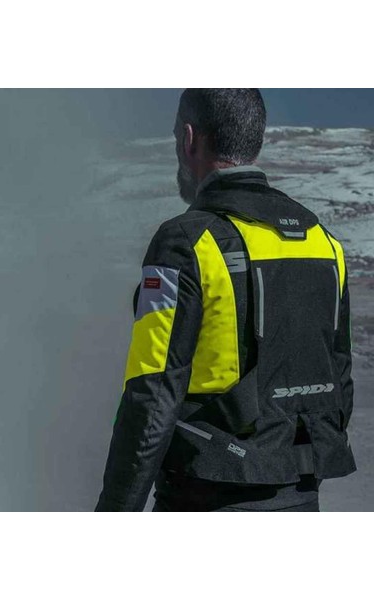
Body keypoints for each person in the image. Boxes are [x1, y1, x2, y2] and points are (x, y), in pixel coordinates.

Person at [94, 88, 356, 512]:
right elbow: (340, 380)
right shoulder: (324, 242)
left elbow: (153, 393)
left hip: (204, 497)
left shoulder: (186, 242)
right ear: (256, 139)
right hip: (301, 500)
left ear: (188, 138)